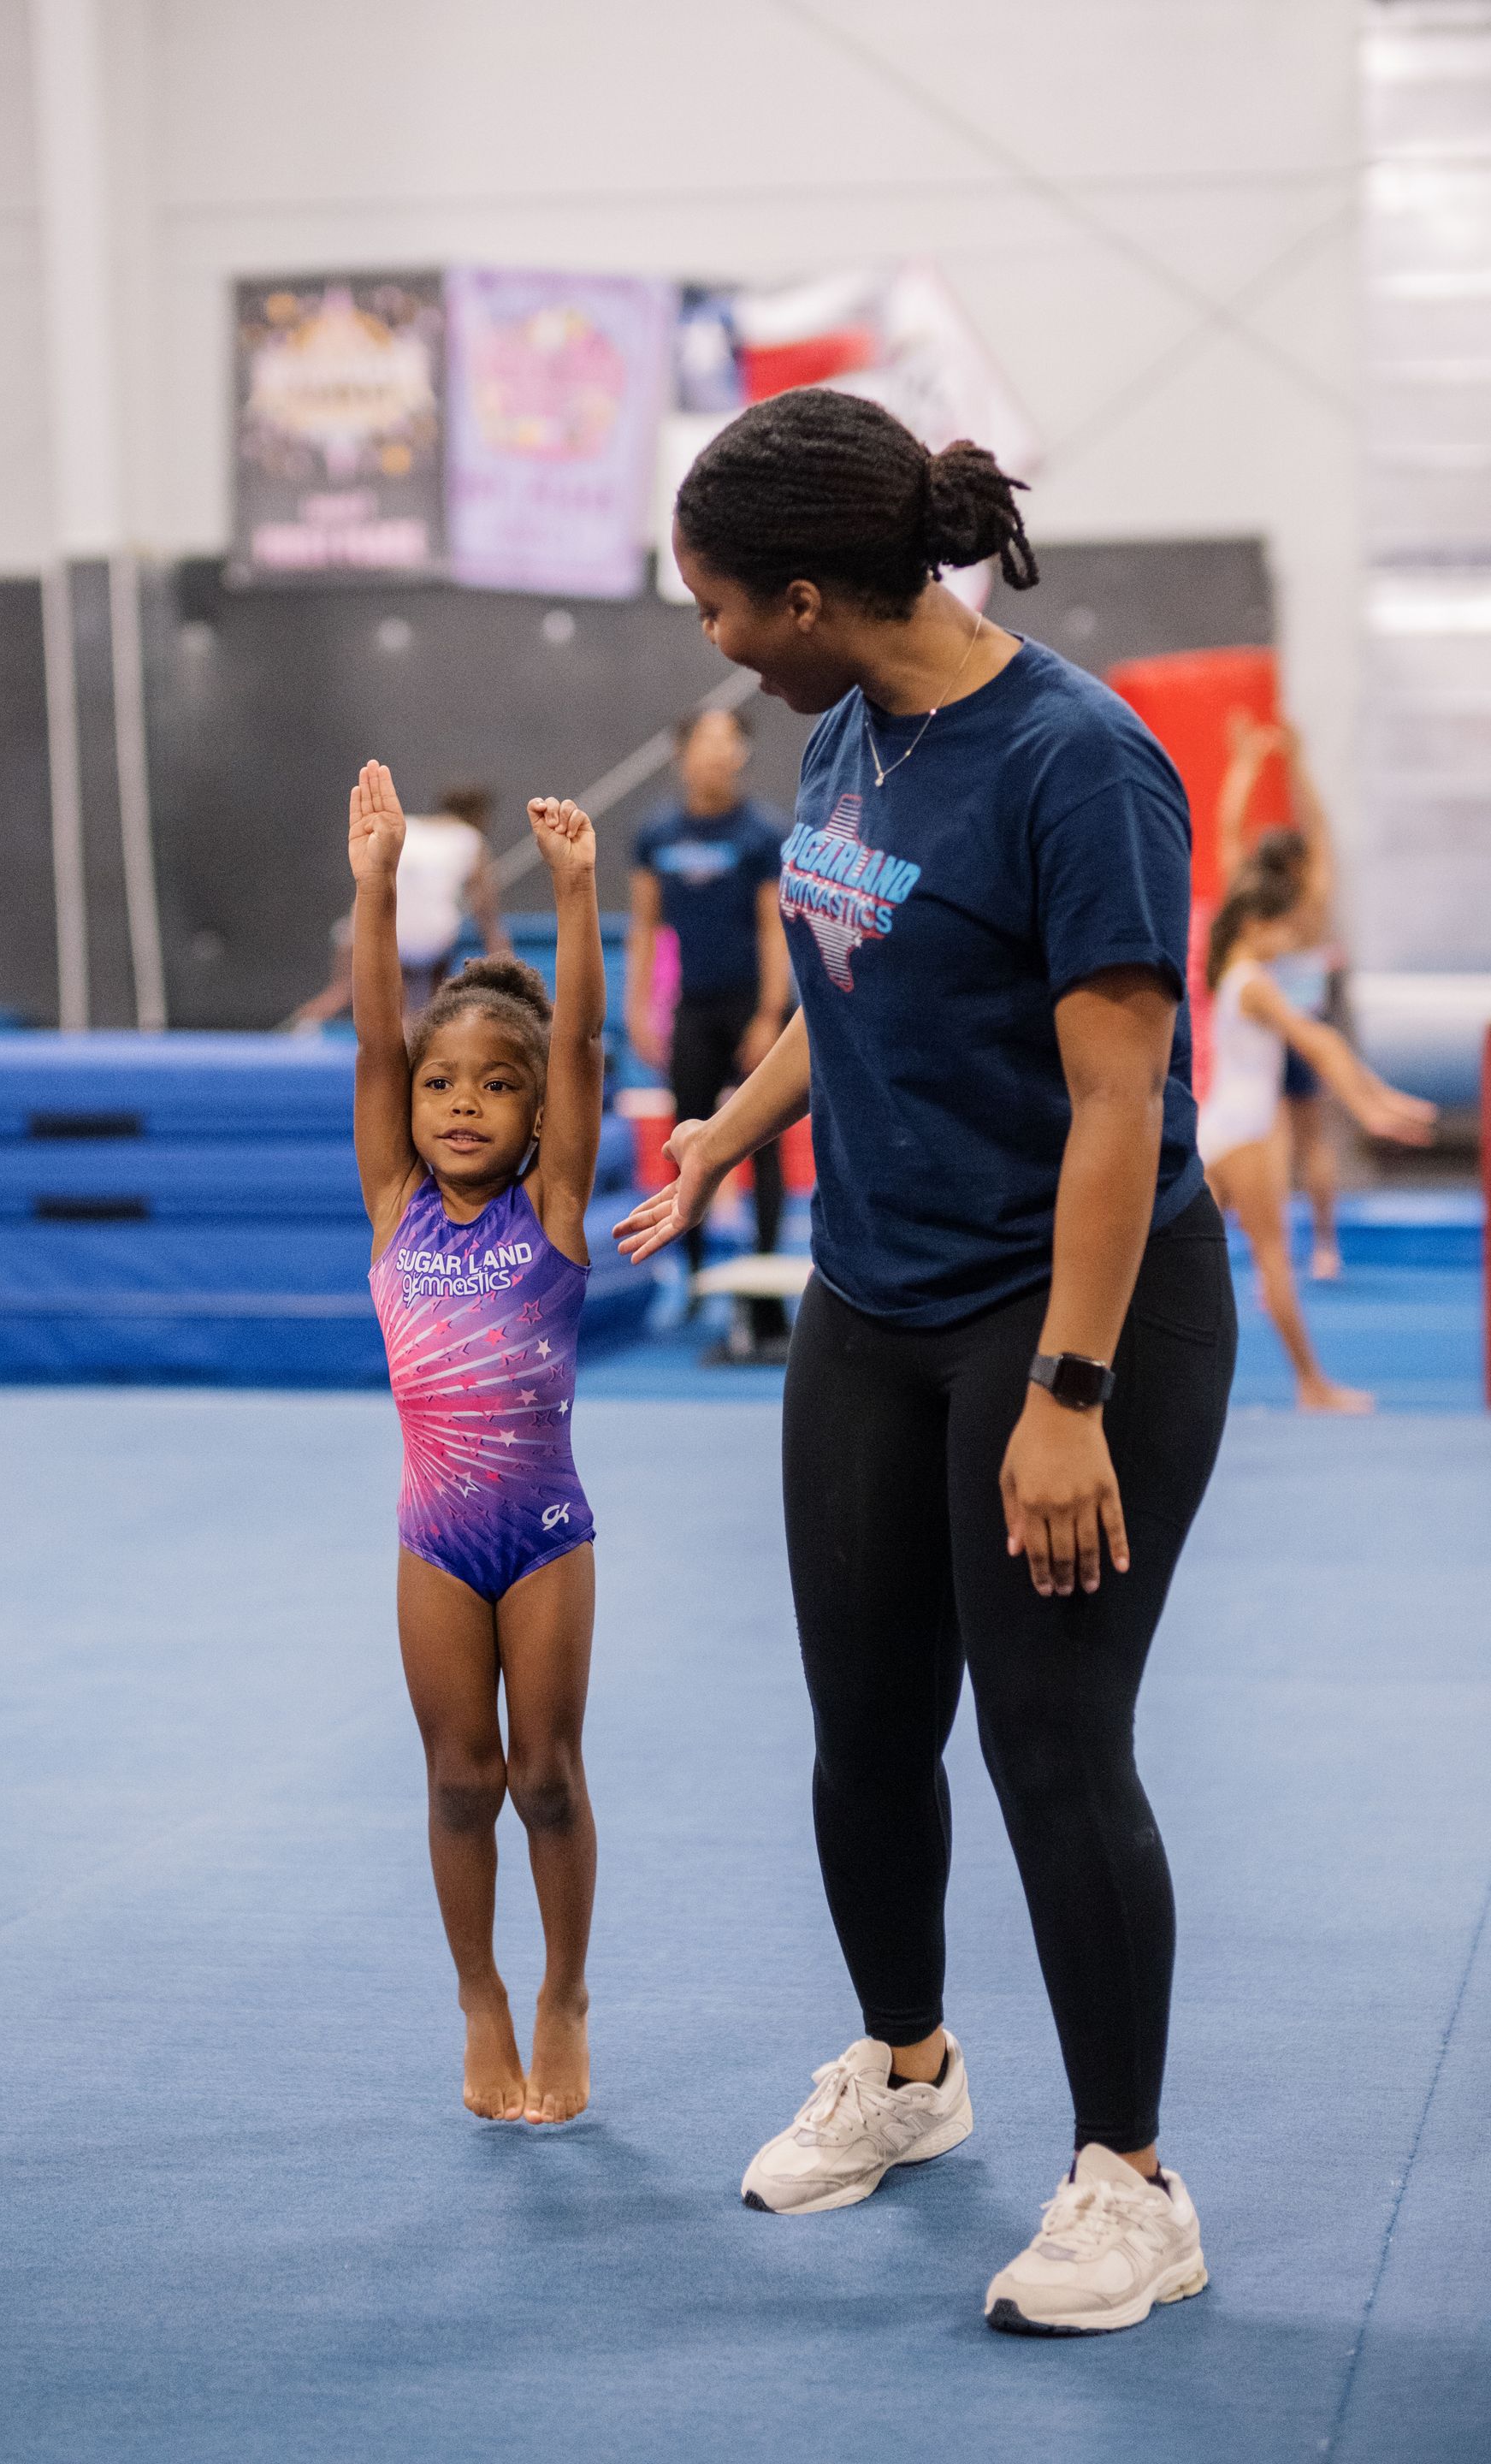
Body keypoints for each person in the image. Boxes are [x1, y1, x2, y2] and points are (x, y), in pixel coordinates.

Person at [616, 388, 1235, 2336]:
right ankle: (906, 2067)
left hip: (1069, 1313)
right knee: (866, 1730)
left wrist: (1067, 1397)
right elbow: (842, 973)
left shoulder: (1080, 765)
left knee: (1054, 1749)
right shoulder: (841, 732)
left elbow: (1120, 1103)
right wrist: (731, 1124)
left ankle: (1130, 2182)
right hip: (872, 1305)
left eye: (718, 603)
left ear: (807, 591)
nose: (706, 635)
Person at [349, 760, 605, 2126]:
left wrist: (576, 894)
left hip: (544, 1534)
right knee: (461, 1778)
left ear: (531, 1116)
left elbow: (578, 1052)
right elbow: (376, 1044)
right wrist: (377, 887)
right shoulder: (394, 1202)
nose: (458, 1103)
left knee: (548, 1778)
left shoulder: (553, 1210)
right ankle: (481, 1998)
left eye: (494, 1088)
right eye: (442, 1084)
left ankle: (564, 1991)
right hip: (435, 1540)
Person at [1199, 864, 1435, 1411]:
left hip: (1218, 1128)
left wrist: (1375, 1097)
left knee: (1179, 1266)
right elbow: (1319, 1042)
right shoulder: (1254, 982)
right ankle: (1311, 1383)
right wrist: (1372, 1107)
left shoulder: (1235, 973)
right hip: (1245, 1135)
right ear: (1258, 925)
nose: (1293, 941)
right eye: (1287, 928)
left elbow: (1321, 1043)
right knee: (1274, 1260)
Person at [626, 707, 794, 1359]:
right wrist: (642, 1011)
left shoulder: (762, 833)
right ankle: (691, 1273)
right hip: (693, 1010)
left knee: (764, 1140)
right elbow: (644, 928)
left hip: (751, 1005)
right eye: (706, 742)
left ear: (742, 756)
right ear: (682, 752)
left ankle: (764, 1281)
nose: (718, 754)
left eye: (731, 744)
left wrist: (769, 1017)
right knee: (685, 1138)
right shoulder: (657, 834)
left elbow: (772, 928)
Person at [1216, 714, 1344, 1277]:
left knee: (1259, 1130)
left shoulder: (1252, 899)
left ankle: (1259, 1235)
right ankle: (1323, 1245)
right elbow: (1321, 831)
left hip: (1262, 1022)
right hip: (1297, 1018)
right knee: (1307, 1133)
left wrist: (1247, 764)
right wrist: (1297, 762)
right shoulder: (1309, 903)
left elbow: (1227, 829)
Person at [290, 782, 512, 1028]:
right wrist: (505, 963)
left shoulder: (405, 827)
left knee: (354, 949)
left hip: (374, 935)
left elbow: (367, 893)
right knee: (424, 1004)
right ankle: (420, 1023)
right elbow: (487, 917)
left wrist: (344, 975)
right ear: (480, 816)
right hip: (432, 939)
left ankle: (332, 999)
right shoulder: (471, 839)